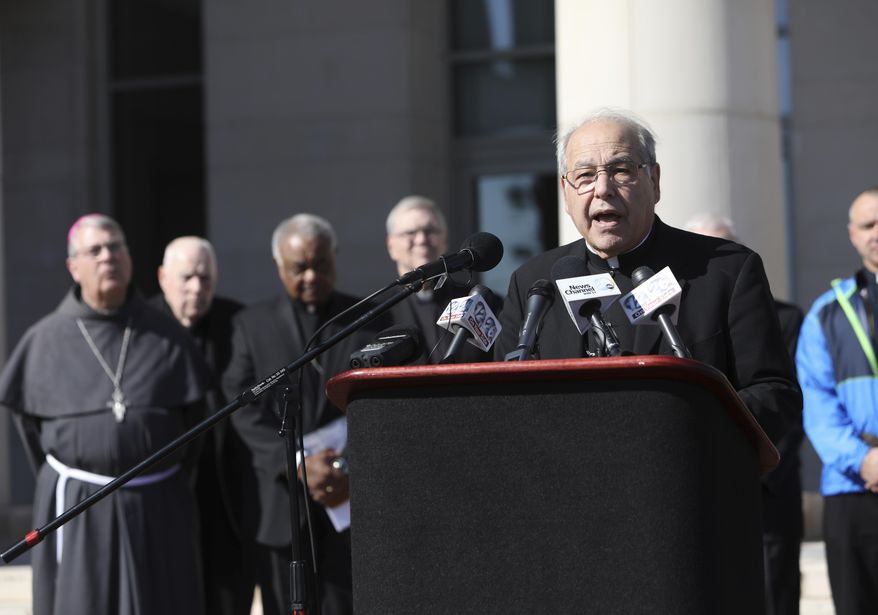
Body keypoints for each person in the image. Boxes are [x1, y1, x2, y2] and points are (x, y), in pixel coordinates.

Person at [494, 107, 800, 444]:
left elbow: (774, 395)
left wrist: (683, 427)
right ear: (565, 192)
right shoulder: (533, 283)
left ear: (654, 181)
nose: (603, 189)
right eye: (585, 176)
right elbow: (504, 403)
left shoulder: (726, 270)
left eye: (621, 170)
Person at [0, 214, 209, 615]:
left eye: (116, 247)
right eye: (94, 250)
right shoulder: (44, 340)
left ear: (129, 258)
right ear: (73, 266)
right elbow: (31, 434)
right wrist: (82, 469)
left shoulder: (168, 335)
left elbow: (194, 428)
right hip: (78, 508)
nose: (107, 256)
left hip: (157, 504)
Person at [222, 214, 378, 615]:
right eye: (299, 267)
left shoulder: (368, 319)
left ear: (335, 257)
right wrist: (297, 462)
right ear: (279, 266)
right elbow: (242, 410)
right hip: (283, 509)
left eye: (320, 264)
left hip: (349, 502)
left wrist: (345, 465)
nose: (311, 276)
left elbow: (381, 402)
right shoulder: (251, 325)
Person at [685, 213, 804, 615]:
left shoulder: (786, 318)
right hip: (701, 487)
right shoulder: (670, 317)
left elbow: (786, 397)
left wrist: (759, 463)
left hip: (768, 481)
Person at [150, 236, 249, 615]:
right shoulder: (142, 327)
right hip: (164, 489)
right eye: (187, 277)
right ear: (163, 277)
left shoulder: (237, 323)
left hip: (225, 495)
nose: (196, 287)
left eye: (205, 278)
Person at [797, 185, 878, 615]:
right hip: (852, 487)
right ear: (852, 234)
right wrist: (862, 460)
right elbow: (817, 400)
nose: (876, 233)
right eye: (868, 225)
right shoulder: (827, 313)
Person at [384, 195, 489, 363]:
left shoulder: (478, 303)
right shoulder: (377, 313)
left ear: (444, 239)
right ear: (391, 246)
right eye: (410, 232)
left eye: (430, 231)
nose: (421, 240)